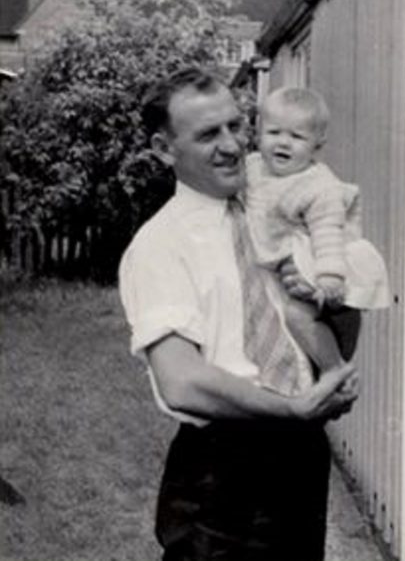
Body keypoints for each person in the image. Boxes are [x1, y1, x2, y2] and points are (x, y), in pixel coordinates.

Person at [119, 68, 359, 561]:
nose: (232, 146)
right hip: (222, 470)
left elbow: (340, 332)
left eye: (236, 125)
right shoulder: (160, 245)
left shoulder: (284, 211)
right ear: (165, 149)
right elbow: (181, 382)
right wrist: (290, 408)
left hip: (301, 454)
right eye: (208, 134)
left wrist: (332, 314)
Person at [245, 87, 390, 370]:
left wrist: (330, 276)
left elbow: (328, 234)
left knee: (296, 316)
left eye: (297, 137)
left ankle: (334, 369)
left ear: (317, 145)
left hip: (308, 265)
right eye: (274, 133)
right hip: (270, 265)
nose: (283, 143)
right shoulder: (252, 167)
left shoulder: (318, 187)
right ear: (259, 132)